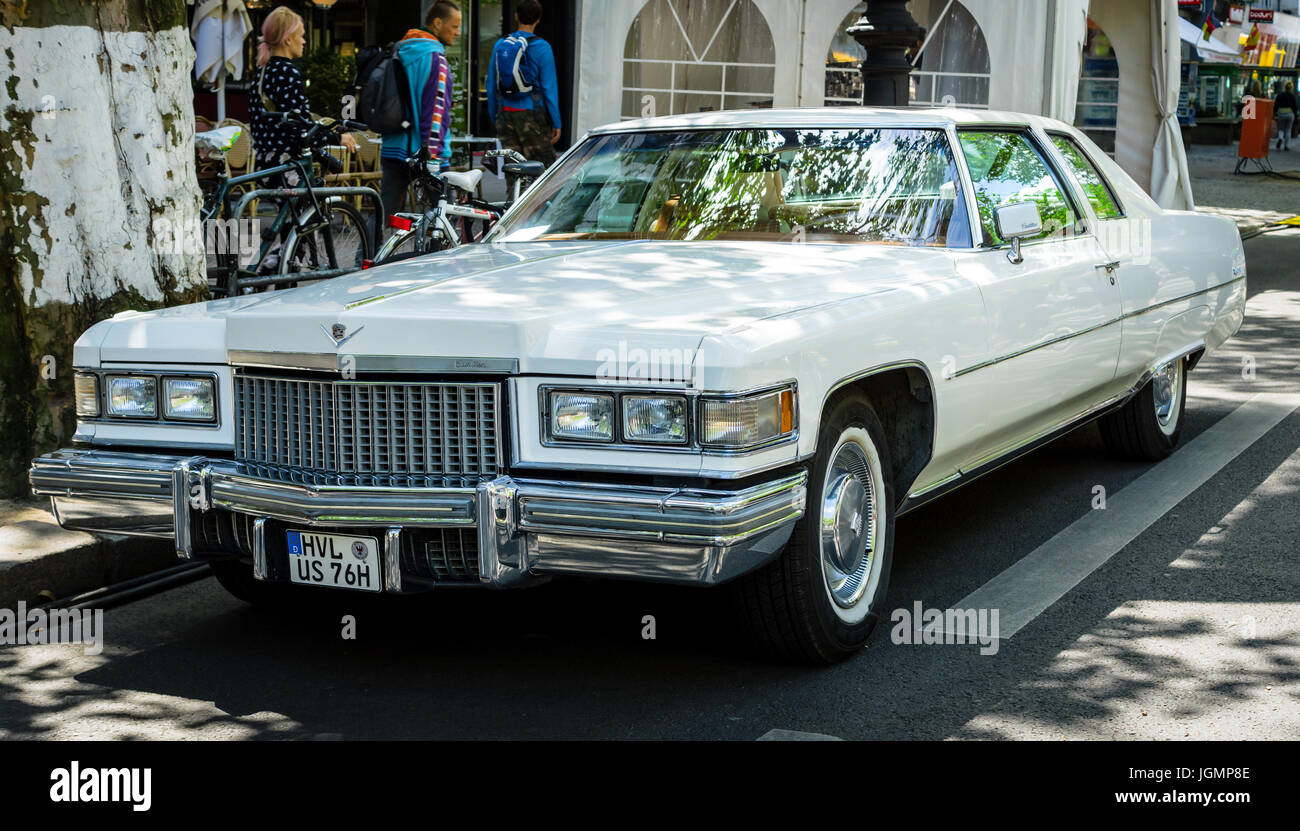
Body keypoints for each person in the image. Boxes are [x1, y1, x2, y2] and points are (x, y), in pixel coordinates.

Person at [248, 7, 356, 176]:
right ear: (288, 39)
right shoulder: (286, 72)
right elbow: (298, 127)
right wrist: (337, 138)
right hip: (287, 165)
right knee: (309, 202)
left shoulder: (262, 72)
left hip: (265, 162)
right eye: (301, 35)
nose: (304, 41)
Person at [378, 0, 460, 216]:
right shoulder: (435, 59)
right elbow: (434, 113)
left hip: (393, 146)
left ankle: (366, 251)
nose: (458, 32)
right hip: (425, 153)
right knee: (443, 218)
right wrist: (432, 156)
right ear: (437, 23)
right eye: (454, 26)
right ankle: (438, 251)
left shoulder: (401, 50)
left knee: (385, 213)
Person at [487, 0, 561, 182]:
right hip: (532, 117)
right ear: (538, 20)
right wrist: (556, 122)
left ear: (516, 16)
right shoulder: (542, 47)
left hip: (505, 115)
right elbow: (549, 88)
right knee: (543, 175)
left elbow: (491, 85)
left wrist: (495, 115)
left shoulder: (501, 44)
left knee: (513, 174)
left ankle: (514, 208)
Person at [1275, 81, 1297, 151]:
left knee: (1281, 128)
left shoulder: (1280, 95)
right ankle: (1286, 146)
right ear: (1291, 88)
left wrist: (1274, 112)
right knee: (1288, 130)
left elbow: (1276, 105)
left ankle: (1280, 138)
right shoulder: (1292, 96)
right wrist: (1295, 115)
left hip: (1281, 113)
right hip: (1289, 114)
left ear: (1285, 87)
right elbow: (1295, 107)